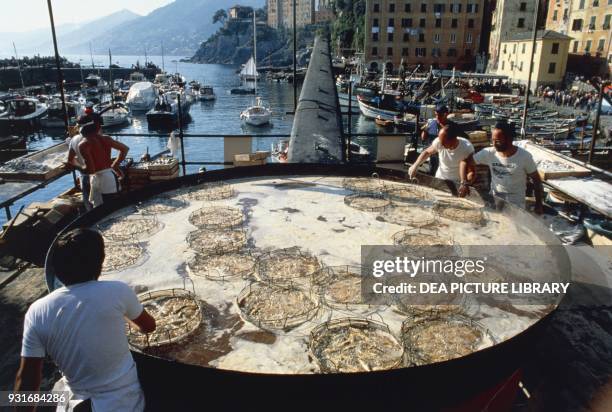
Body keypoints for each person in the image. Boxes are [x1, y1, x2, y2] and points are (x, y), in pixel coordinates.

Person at [15, 228, 156, 411]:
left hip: (74, 402)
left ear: (57, 269)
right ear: (100, 262)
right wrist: (122, 314)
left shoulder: (37, 311)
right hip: (124, 403)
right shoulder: (118, 291)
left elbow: (27, 377)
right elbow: (148, 327)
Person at [461, 120, 543, 213]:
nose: (494, 144)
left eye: (498, 141)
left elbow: (537, 180)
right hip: (495, 200)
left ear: (509, 139)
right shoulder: (489, 153)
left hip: (516, 204)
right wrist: (464, 183)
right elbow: (465, 162)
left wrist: (539, 204)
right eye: (493, 140)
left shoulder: (524, 157)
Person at [76, 113, 129, 207]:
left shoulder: (83, 145)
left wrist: (76, 165)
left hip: (98, 179)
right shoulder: (106, 138)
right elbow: (124, 149)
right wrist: (115, 165)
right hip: (110, 177)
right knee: (114, 208)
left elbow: (91, 170)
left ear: (81, 130)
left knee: (101, 211)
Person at [409, 122, 475, 186]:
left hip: (457, 183)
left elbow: (471, 171)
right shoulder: (439, 142)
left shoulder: (467, 148)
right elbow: (427, 152)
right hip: (439, 180)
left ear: (453, 140)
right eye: (440, 141)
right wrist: (415, 165)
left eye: (444, 143)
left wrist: (465, 184)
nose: (441, 144)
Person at [420, 103, 450, 175]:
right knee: (433, 169)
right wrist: (425, 130)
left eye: (440, 115)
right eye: (436, 115)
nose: (438, 117)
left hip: (444, 153)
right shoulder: (431, 122)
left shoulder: (450, 126)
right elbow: (423, 138)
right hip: (433, 152)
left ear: (446, 114)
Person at [65, 133, 92, 211]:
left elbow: (70, 160)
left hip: (85, 175)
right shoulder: (95, 138)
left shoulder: (74, 139)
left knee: (88, 202)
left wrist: (80, 168)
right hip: (98, 174)